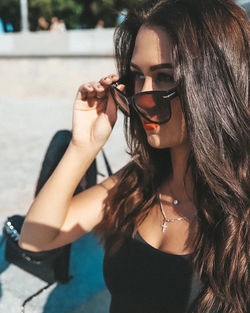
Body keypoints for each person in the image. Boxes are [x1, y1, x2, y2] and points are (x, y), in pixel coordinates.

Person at [19, 1, 249, 312]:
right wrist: (83, 145)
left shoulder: (241, 209)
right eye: (138, 77)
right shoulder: (137, 183)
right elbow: (35, 239)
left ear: (213, 85)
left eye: (165, 77)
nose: (143, 98)